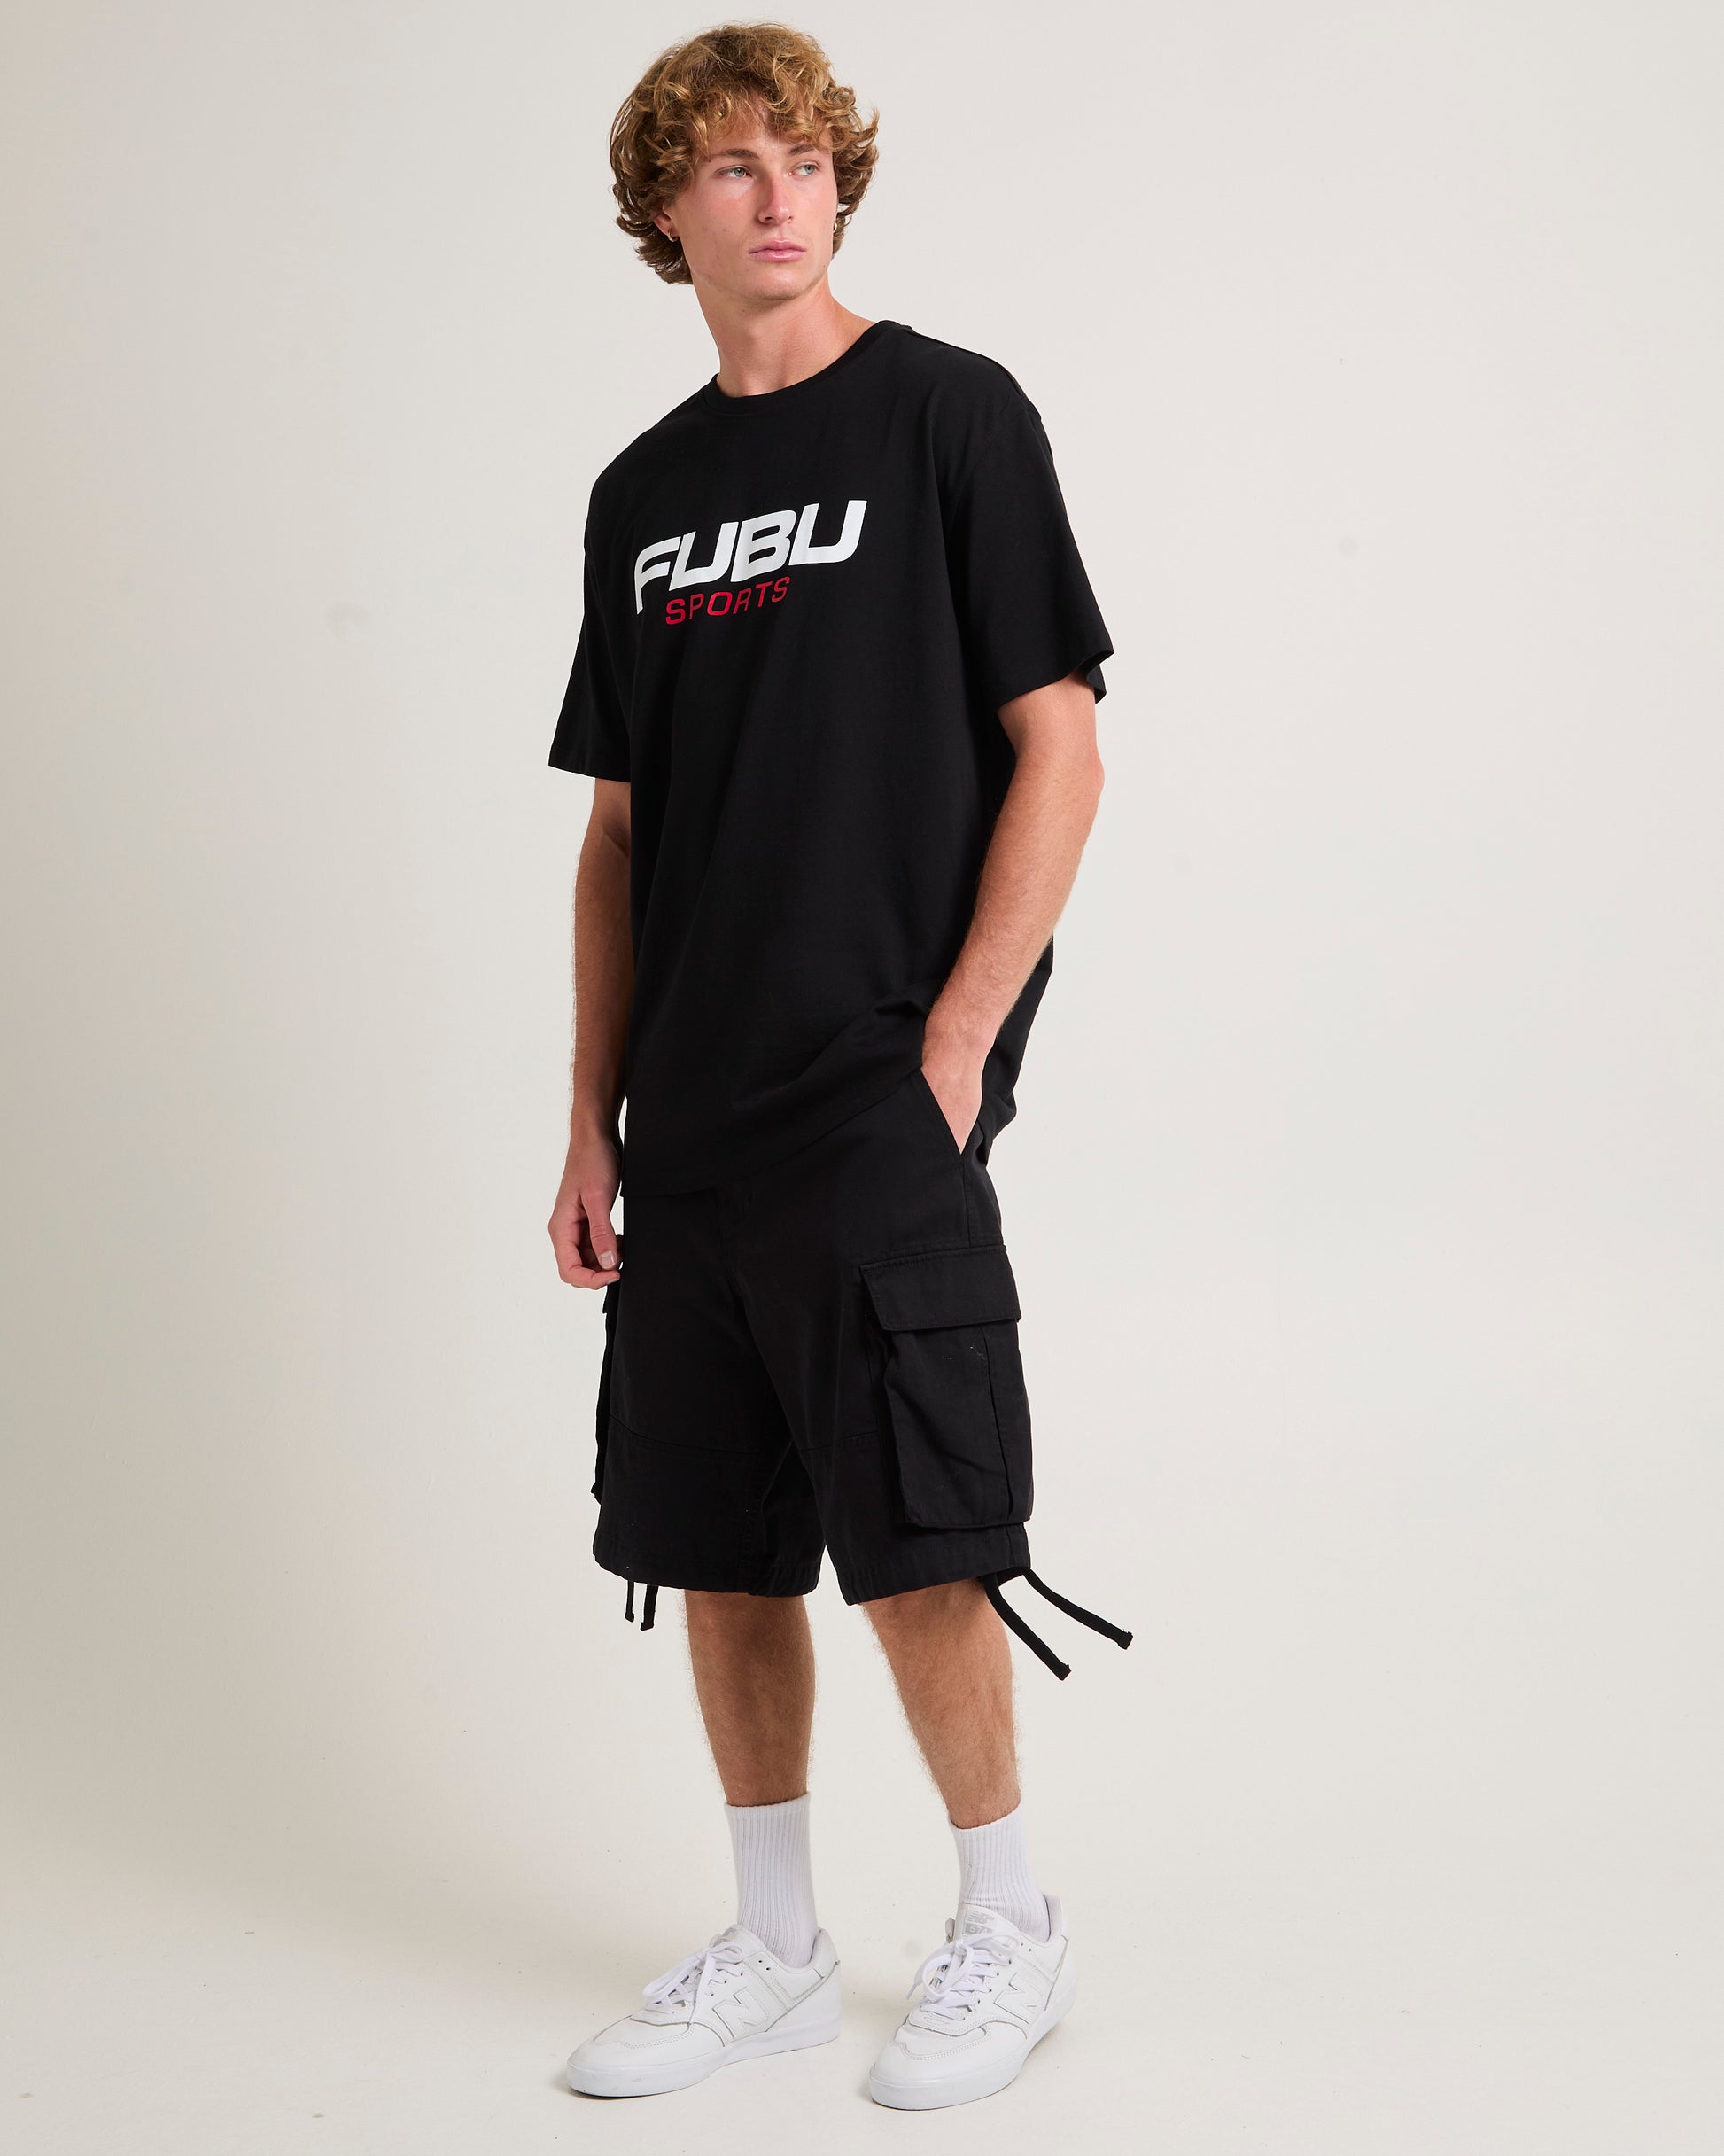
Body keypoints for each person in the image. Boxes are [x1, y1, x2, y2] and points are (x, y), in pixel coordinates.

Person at [546, 22, 1129, 2112]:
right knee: (713, 1543)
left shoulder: (950, 416)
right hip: (688, 1119)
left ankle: (1008, 1922)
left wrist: (957, 1040)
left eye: (802, 157)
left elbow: (1059, 741)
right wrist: (589, 1117)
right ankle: (778, 1946)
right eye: (731, 165)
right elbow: (617, 837)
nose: (778, 193)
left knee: (922, 1535)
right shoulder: (641, 496)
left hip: (878, 1085)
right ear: (667, 210)